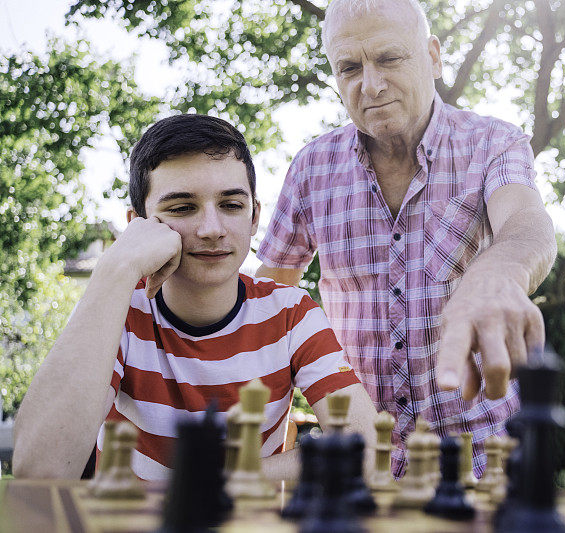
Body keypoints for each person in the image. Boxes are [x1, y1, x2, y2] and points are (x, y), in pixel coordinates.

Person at [255, 0, 556, 476]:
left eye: (390, 58)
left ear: (433, 57)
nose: (370, 85)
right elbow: (268, 305)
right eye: (349, 67)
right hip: (358, 462)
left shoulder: (494, 143)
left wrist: (499, 273)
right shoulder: (312, 168)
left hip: (482, 454)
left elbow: (526, 221)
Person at [13, 114, 377, 481]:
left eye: (232, 205)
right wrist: (117, 267)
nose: (212, 229)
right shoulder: (116, 309)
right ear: (138, 224)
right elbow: (41, 471)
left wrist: (212, 487)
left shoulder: (291, 313)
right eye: (182, 207)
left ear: (254, 218)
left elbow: (367, 450)